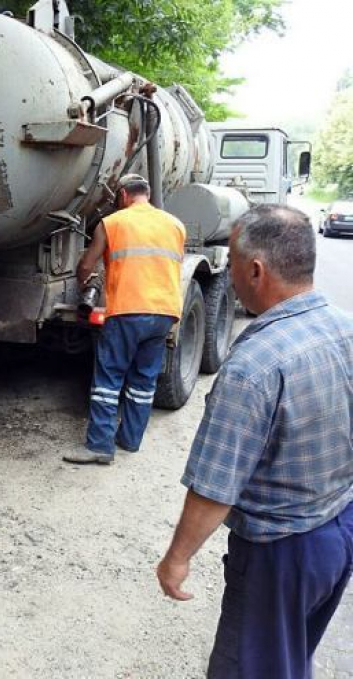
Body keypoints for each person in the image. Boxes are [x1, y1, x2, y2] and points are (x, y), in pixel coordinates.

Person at [157, 204, 353, 678]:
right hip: (339, 529)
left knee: (248, 669)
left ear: (256, 270)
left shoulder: (254, 366)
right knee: (290, 655)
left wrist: (176, 560)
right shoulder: (345, 327)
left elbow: (215, 486)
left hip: (281, 555)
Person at [62, 174, 186, 465]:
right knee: (144, 379)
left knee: (108, 378)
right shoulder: (175, 225)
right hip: (165, 312)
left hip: (128, 311)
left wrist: (86, 282)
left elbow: (86, 264)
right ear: (148, 194)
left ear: (123, 195)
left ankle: (100, 447)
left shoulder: (113, 222)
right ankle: (130, 440)